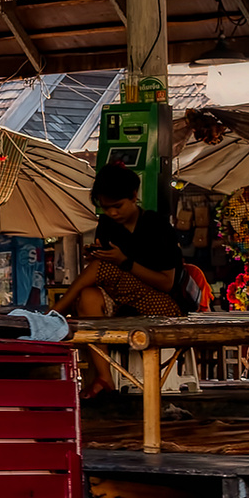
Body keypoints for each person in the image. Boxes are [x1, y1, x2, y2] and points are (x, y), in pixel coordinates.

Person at [53, 162, 183, 397]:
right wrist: (96, 255)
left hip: (162, 305)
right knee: (88, 296)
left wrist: (123, 261)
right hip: (120, 301)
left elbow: (167, 283)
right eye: (106, 208)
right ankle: (105, 377)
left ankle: (53, 315)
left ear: (134, 196)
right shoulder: (107, 225)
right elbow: (102, 278)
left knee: (101, 267)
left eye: (117, 206)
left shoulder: (157, 226)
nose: (113, 213)